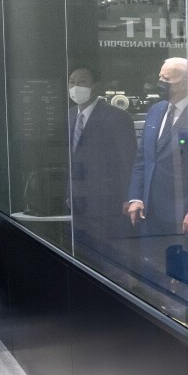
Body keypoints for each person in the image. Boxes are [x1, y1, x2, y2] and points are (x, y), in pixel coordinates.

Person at [126, 57, 188, 310]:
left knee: (178, 273)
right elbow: (143, 159)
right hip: (149, 209)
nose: (159, 82)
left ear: (183, 83)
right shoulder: (155, 111)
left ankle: (179, 316)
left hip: (177, 211)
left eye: (166, 79)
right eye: (160, 76)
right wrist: (136, 196)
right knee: (150, 268)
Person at [66, 66, 136, 263]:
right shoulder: (71, 115)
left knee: (107, 259)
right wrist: (68, 193)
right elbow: (71, 159)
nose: (75, 86)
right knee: (81, 257)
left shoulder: (117, 117)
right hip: (78, 203)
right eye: (72, 82)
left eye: (81, 82)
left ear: (95, 86)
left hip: (107, 204)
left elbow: (128, 161)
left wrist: (128, 198)